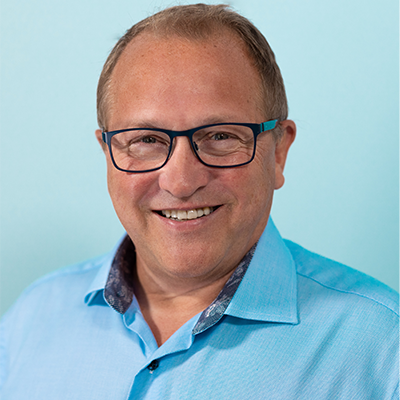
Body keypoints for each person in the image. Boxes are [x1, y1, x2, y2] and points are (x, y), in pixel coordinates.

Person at [1, 4, 399, 399]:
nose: (180, 182)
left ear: (278, 152)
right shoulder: (31, 319)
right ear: (107, 153)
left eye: (221, 136)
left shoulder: (384, 351)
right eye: (146, 140)